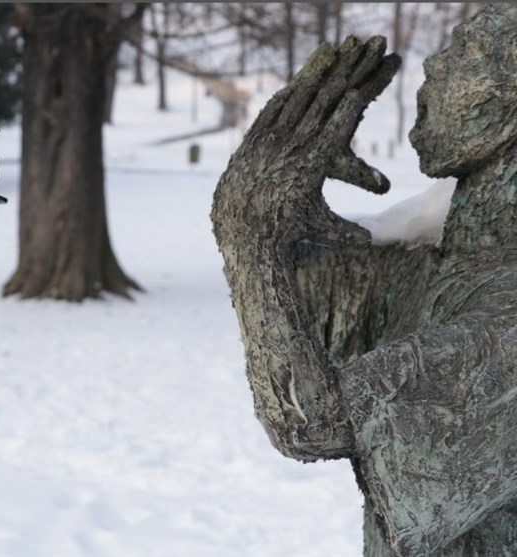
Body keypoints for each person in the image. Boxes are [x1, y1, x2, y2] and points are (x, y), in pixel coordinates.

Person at [212, 4, 516, 556]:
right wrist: (271, 208)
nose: (435, 67)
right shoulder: (450, 259)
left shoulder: (507, 306)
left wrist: (250, 232)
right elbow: (299, 299)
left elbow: (315, 422)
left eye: (469, 52)